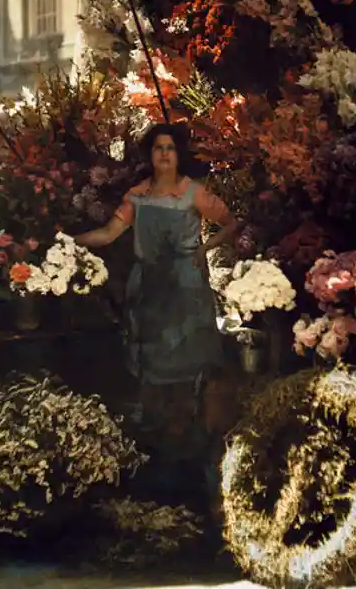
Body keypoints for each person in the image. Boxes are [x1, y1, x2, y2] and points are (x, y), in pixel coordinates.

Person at [75, 123, 238, 499]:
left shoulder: (194, 193)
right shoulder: (138, 195)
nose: (164, 154)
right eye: (158, 148)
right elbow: (108, 234)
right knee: (150, 377)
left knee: (189, 375)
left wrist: (203, 248)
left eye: (170, 148)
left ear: (179, 154)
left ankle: (193, 468)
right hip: (148, 291)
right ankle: (155, 469)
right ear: (150, 154)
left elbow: (230, 223)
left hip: (186, 291)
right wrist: (67, 241)